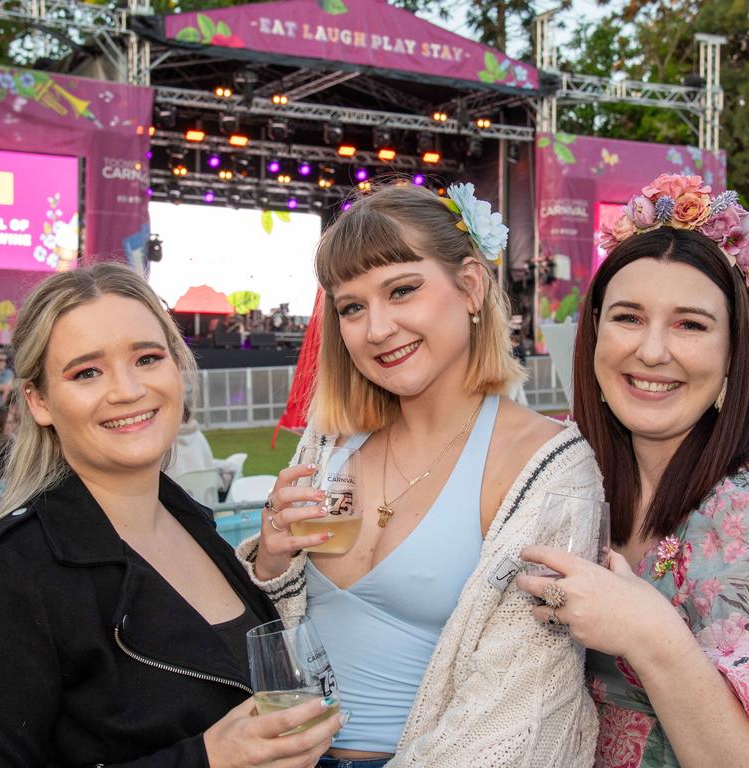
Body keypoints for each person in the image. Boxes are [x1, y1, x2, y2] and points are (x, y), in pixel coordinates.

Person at [0, 263, 342, 767]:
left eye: (147, 358)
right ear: (39, 401)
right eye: (87, 372)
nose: (127, 390)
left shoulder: (195, 525)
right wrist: (207, 760)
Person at [517, 174, 749, 767]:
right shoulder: (553, 472)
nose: (653, 351)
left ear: (735, 348)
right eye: (628, 317)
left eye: (690, 324)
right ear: (594, 332)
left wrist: (649, 635)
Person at [238, 182, 601, 767]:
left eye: (402, 290)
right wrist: (274, 564)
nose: (376, 328)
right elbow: (286, 632)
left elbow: (519, 706)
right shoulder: (330, 443)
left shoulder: (550, 467)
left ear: (471, 286)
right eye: (351, 307)